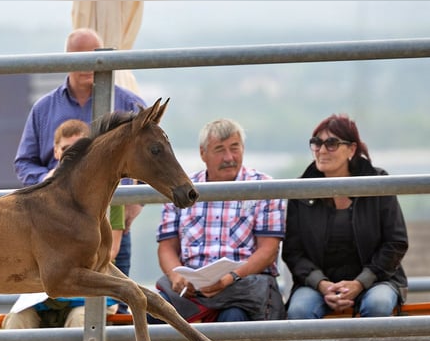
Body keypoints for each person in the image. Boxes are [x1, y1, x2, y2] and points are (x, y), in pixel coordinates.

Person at [13, 27, 144, 282]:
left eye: (95, 55)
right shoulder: (44, 108)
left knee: (111, 298)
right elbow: (24, 163)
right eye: (80, 56)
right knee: (57, 299)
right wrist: (48, 178)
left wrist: (135, 198)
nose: (88, 64)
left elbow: (151, 159)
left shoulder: (130, 106)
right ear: (67, 58)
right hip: (55, 225)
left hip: (110, 219)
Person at [155, 118, 287, 323]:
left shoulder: (263, 186)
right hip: (191, 289)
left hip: (242, 284)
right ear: (203, 153)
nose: (229, 157)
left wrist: (230, 277)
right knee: (153, 312)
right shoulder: (183, 190)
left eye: (235, 148)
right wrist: (177, 278)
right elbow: (167, 248)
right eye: (219, 150)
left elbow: (268, 251)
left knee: (233, 318)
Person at [282, 114, 408, 319]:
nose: (322, 150)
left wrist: (360, 283)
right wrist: (322, 285)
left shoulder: (378, 184)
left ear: (352, 149)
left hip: (376, 280)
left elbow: (396, 242)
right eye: (316, 143)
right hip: (318, 286)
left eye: (331, 143)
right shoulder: (301, 190)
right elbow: (293, 252)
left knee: (378, 305)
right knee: (299, 311)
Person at [3, 119, 120, 329]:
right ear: (56, 152)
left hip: (87, 290)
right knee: (15, 323)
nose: (72, 154)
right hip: (41, 294)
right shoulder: (36, 197)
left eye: (79, 148)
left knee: (81, 322)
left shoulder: (107, 192)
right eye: (66, 149)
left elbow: (110, 252)